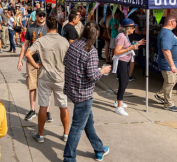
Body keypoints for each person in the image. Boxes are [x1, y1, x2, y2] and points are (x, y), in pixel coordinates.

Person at [63, 21, 111, 162]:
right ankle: (69, 158)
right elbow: (92, 76)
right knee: (77, 127)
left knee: (88, 122)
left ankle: (99, 149)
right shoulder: (91, 51)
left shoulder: (74, 45)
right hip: (83, 94)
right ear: (96, 34)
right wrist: (102, 70)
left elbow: (66, 62)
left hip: (73, 90)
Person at [25, 16, 70, 143]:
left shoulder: (41, 40)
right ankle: (66, 133)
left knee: (43, 106)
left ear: (47, 27)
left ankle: (40, 134)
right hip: (60, 76)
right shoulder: (64, 41)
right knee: (63, 106)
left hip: (45, 76)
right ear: (57, 27)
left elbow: (28, 54)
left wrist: (36, 65)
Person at [17, 8, 51, 121]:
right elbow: (25, 45)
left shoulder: (49, 27)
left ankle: (47, 111)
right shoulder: (31, 27)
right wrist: (20, 60)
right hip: (31, 61)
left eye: (43, 15)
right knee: (32, 86)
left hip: (45, 62)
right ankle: (32, 110)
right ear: (35, 16)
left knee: (46, 87)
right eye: (40, 15)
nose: (42, 17)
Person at [113, 18, 145, 116]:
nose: (134, 29)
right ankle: (118, 106)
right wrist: (130, 48)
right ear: (128, 28)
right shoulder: (121, 37)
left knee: (125, 81)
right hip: (121, 62)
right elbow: (117, 52)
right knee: (123, 83)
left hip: (125, 61)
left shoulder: (125, 36)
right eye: (133, 27)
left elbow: (126, 48)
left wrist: (137, 44)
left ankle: (119, 101)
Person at [155, 15, 177, 112]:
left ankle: (160, 95)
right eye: (176, 21)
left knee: (171, 81)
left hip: (170, 63)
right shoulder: (167, 34)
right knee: (170, 82)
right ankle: (168, 104)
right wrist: (172, 65)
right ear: (172, 22)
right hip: (167, 63)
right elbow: (166, 50)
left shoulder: (167, 32)